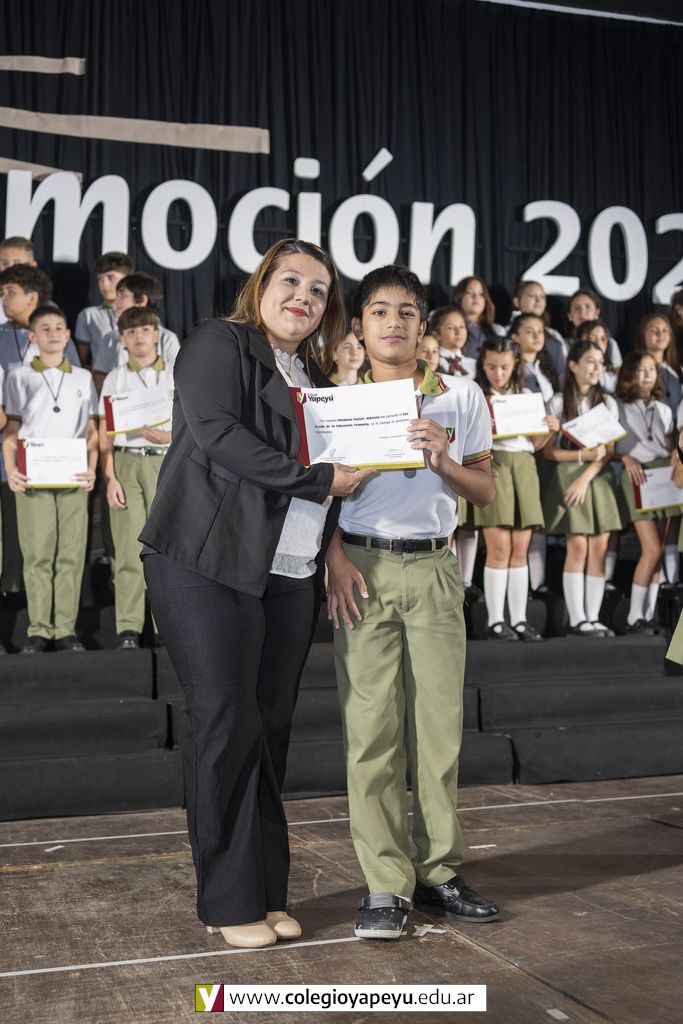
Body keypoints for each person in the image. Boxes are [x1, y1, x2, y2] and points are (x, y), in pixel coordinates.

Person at [139, 239, 371, 950]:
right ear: (261, 284)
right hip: (207, 560)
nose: (303, 296)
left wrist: (333, 543)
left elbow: (337, 467)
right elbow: (217, 437)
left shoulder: (317, 377)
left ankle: (267, 892)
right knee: (224, 724)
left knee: (268, 731)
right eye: (290, 280)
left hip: (290, 570)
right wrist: (320, 480)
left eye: (318, 289)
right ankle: (227, 900)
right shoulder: (220, 343)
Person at [326, 264, 499, 940]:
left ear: (422, 325)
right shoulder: (336, 401)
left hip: (433, 568)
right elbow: (316, 493)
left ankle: (438, 872)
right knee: (370, 732)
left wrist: (444, 461)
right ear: (359, 324)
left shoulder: (461, 396)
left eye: (405, 311)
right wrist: (333, 559)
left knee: (437, 729)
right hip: (360, 567)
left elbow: (484, 490)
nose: (392, 322)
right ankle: (384, 884)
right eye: (379, 311)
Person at [2, 306, 98, 652]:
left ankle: (66, 630)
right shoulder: (18, 376)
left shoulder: (82, 378)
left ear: (69, 335)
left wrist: (92, 466)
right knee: (38, 555)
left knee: (70, 555)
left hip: (73, 475)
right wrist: (11, 469)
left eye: (59, 327)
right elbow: (11, 430)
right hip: (34, 477)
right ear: (32, 336)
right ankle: (39, 630)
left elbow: (91, 429)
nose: (54, 333)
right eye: (45, 328)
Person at [474, 337, 558, 641]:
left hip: (523, 466)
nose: (498, 373)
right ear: (483, 365)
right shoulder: (477, 397)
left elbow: (534, 444)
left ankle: (520, 619)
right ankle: (496, 621)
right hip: (493, 464)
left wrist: (549, 430)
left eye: (504, 367)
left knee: (520, 548)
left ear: (515, 365)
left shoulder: (526, 396)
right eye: (492, 367)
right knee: (498, 547)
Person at [98, 307, 173, 649]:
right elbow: (106, 431)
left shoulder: (175, 372)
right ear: (122, 340)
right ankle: (128, 626)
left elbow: (194, 422)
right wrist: (110, 477)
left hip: (164, 461)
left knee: (165, 547)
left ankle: (164, 624)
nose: (138, 336)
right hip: (126, 461)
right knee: (129, 548)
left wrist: (168, 436)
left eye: (144, 329)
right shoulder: (115, 378)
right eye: (130, 332)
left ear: (156, 333)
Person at [542, 340, 622, 636]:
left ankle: (593, 617)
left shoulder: (608, 402)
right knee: (577, 547)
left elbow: (609, 450)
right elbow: (549, 451)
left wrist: (586, 475)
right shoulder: (558, 401)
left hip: (597, 477)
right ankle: (577, 619)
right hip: (568, 475)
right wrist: (582, 458)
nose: (596, 368)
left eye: (601, 362)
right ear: (573, 365)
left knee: (599, 548)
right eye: (590, 361)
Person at [614, 351, 679, 632]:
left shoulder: (663, 409)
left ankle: (648, 614)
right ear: (629, 373)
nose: (647, 375)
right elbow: (609, 446)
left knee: (660, 548)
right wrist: (625, 458)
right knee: (650, 548)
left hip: (663, 474)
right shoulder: (616, 405)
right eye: (641, 369)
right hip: (637, 475)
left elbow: (667, 444)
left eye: (652, 369)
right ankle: (633, 617)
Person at [92, 272, 180, 391]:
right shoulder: (110, 338)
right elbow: (100, 374)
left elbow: (177, 378)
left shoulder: (167, 338)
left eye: (123, 295)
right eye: (131, 332)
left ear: (142, 300)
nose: (116, 301)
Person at [75, 251, 135, 368]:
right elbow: (80, 362)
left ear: (127, 278)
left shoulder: (142, 313)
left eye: (110, 277)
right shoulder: (88, 315)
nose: (104, 284)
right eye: (100, 278)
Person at [509, 280, 567, 379]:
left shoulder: (554, 336)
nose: (538, 300)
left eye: (542, 297)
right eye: (532, 296)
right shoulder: (503, 332)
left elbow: (562, 373)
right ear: (517, 301)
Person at [566, 288, 622, 369]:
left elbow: (617, 372)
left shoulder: (610, 344)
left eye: (587, 307)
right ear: (570, 316)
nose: (582, 312)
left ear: (597, 313)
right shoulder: (563, 345)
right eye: (577, 308)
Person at [452, 276, 505, 359]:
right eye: (469, 292)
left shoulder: (497, 331)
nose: (475, 297)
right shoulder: (450, 329)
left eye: (481, 294)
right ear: (458, 297)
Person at [428, 305, 476, 377]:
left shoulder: (474, 364)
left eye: (462, 326)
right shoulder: (431, 362)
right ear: (436, 334)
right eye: (451, 327)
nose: (458, 332)